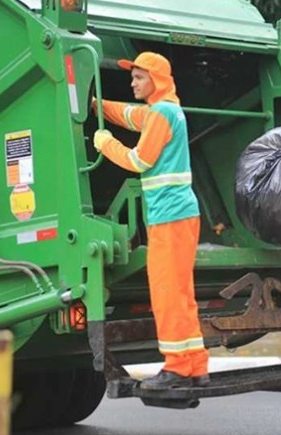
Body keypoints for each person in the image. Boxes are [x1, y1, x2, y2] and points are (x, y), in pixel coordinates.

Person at [92, 52, 209, 389]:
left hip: (169, 217)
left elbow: (139, 161)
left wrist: (106, 143)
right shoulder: (168, 109)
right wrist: (97, 106)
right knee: (181, 292)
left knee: (167, 293)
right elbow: (129, 115)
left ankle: (176, 368)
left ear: (156, 80)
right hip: (180, 215)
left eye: (139, 77)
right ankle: (195, 366)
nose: (132, 82)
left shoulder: (160, 114)